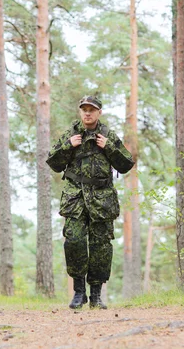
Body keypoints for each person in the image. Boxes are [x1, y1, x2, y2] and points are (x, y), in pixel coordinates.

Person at [46, 95, 135, 309]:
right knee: (74, 242)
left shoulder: (107, 136)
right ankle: (79, 293)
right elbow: (53, 163)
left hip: (101, 199)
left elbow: (126, 164)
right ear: (80, 112)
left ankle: (96, 294)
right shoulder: (71, 134)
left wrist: (109, 148)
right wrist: (68, 146)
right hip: (75, 198)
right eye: (84, 109)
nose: (87, 113)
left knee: (101, 247)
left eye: (92, 109)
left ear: (99, 113)